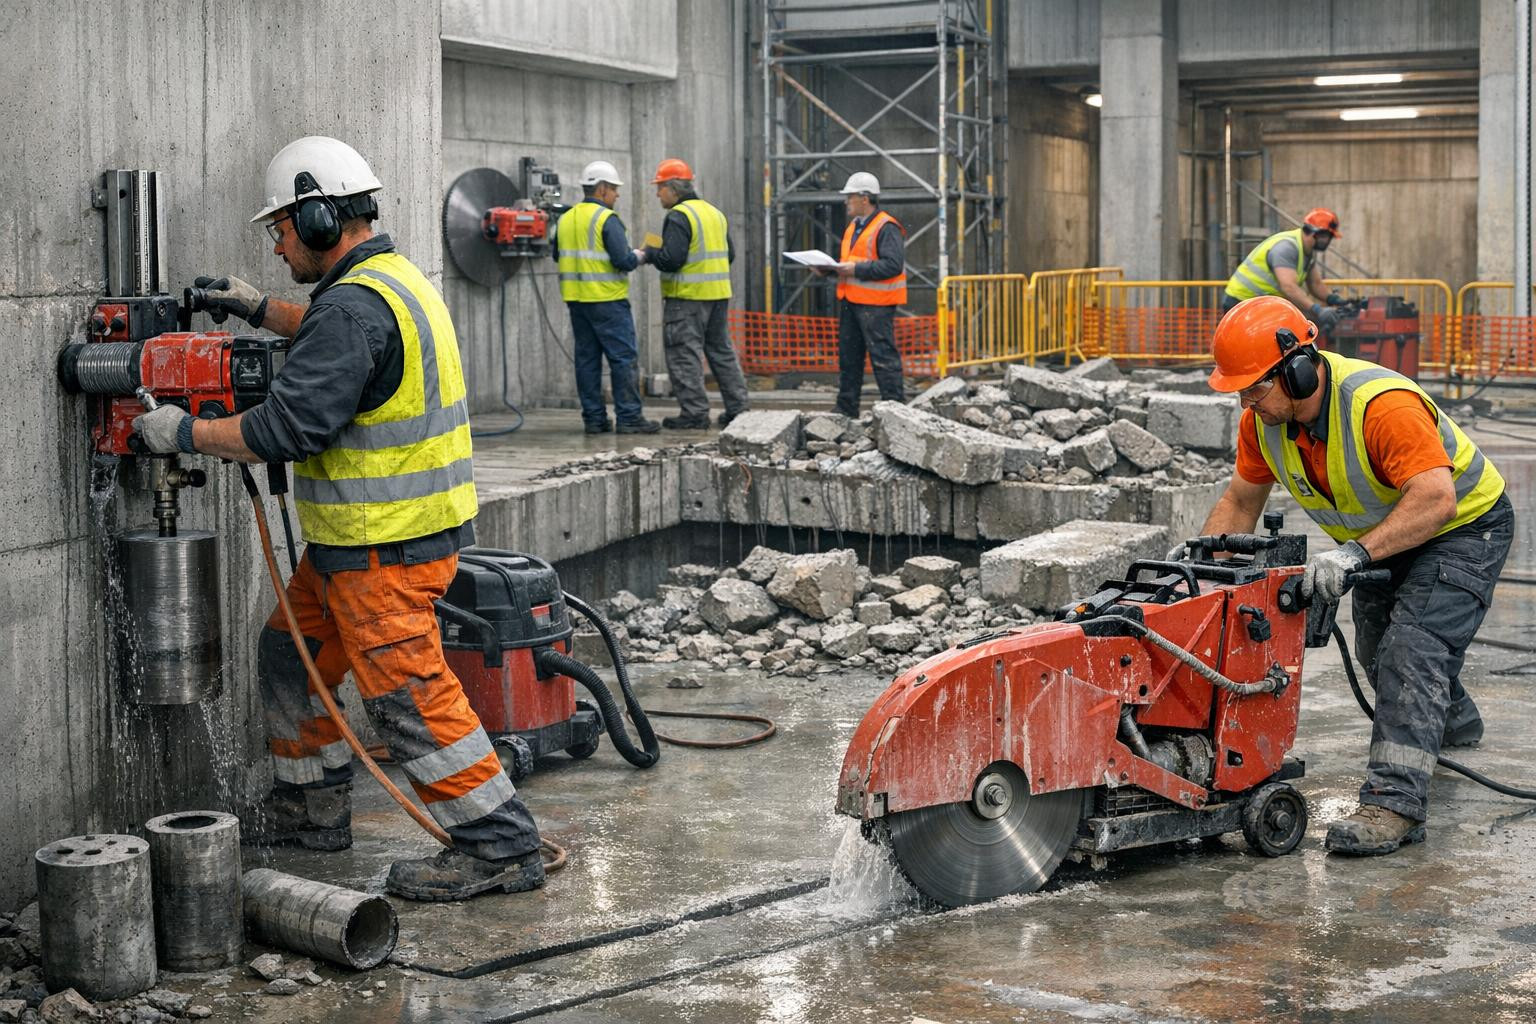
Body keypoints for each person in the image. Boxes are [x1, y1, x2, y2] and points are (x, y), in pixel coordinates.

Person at [131, 136, 546, 901]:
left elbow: (283, 430)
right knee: (290, 655)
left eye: (282, 228)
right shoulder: (391, 282)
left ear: (322, 217)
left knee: (409, 699)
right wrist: (259, 307)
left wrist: (182, 433)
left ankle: (500, 845)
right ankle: (313, 805)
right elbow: (332, 333)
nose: (280, 243)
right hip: (365, 542)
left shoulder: (354, 309)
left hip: (380, 549)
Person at [1188, 295, 1512, 856]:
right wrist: (1201, 568)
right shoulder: (1262, 423)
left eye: (1254, 387)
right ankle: (1452, 720)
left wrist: (1352, 556)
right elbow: (1241, 501)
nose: (1245, 401)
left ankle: (1394, 804)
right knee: (1377, 651)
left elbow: (1434, 498)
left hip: (1462, 527)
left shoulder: (1379, 405)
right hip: (1385, 536)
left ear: (1298, 369)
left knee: (1410, 654)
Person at [640, 157, 751, 430]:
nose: (657, 194)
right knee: (722, 353)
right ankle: (739, 410)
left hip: (686, 299)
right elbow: (731, 255)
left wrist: (648, 254)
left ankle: (695, 414)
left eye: (660, 188)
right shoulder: (714, 213)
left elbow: (672, 259)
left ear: (673, 188)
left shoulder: (678, 216)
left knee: (683, 354)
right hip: (718, 296)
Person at [551, 160, 659, 435]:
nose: (617, 195)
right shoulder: (606, 220)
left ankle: (594, 420)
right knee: (623, 359)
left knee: (587, 361)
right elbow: (622, 260)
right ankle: (630, 418)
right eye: (614, 189)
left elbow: (556, 255)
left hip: (576, 301)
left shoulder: (565, 219)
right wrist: (642, 255)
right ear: (601, 189)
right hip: (608, 301)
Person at [821, 172, 906, 416]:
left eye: (850, 197)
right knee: (849, 357)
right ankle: (846, 408)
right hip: (851, 301)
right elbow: (850, 263)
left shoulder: (886, 227)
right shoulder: (853, 228)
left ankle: (895, 410)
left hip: (876, 305)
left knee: (883, 357)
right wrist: (828, 270)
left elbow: (892, 265)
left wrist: (855, 269)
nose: (847, 201)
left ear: (865, 198)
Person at [1223, 208, 1347, 333]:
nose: (1328, 241)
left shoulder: (1306, 252)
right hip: (1242, 303)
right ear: (1316, 233)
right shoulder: (1287, 248)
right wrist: (1317, 310)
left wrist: (1335, 300)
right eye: (1327, 236)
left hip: (1260, 305)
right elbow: (1289, 287)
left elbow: (1315, 284)